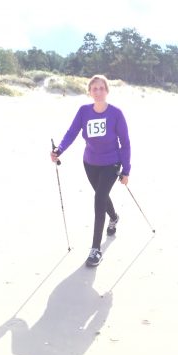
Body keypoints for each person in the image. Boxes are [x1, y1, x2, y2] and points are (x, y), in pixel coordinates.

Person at [50, 75, 131, 267]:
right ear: (89, 92)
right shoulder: (84, 111)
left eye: (101, 88)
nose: (98, 91)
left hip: (111, 163)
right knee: (101, 195)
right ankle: (114, 217)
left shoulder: (116, 113)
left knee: (99, 199)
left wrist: (126, 170)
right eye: (94, 88)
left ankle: (95, 249)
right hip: (90, 163)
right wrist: (59, 149)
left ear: (107, 91)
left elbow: (125, 143)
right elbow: (72, 132)